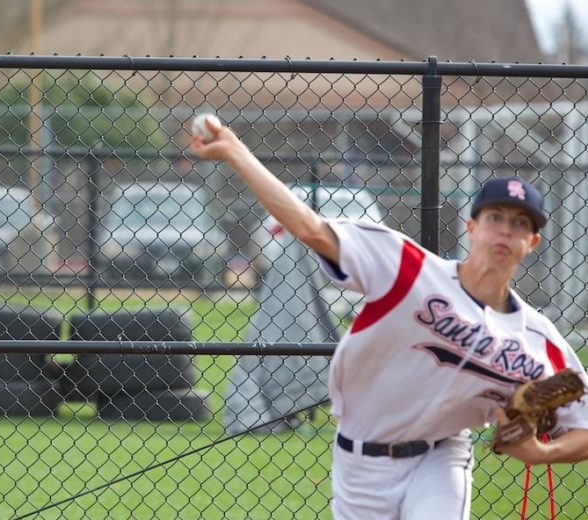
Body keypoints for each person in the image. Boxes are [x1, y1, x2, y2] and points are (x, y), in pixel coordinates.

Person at [191, 118, 588, 519]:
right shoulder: (408, 268)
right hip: (360, 460)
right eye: (495, 218)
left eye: (520, 223)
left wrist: (545, 452)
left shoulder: (538, 341)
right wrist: (235, 152)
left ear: (533, 241)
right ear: (471, 227)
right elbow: (311, 229)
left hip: (441, 457)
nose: (505, 231)